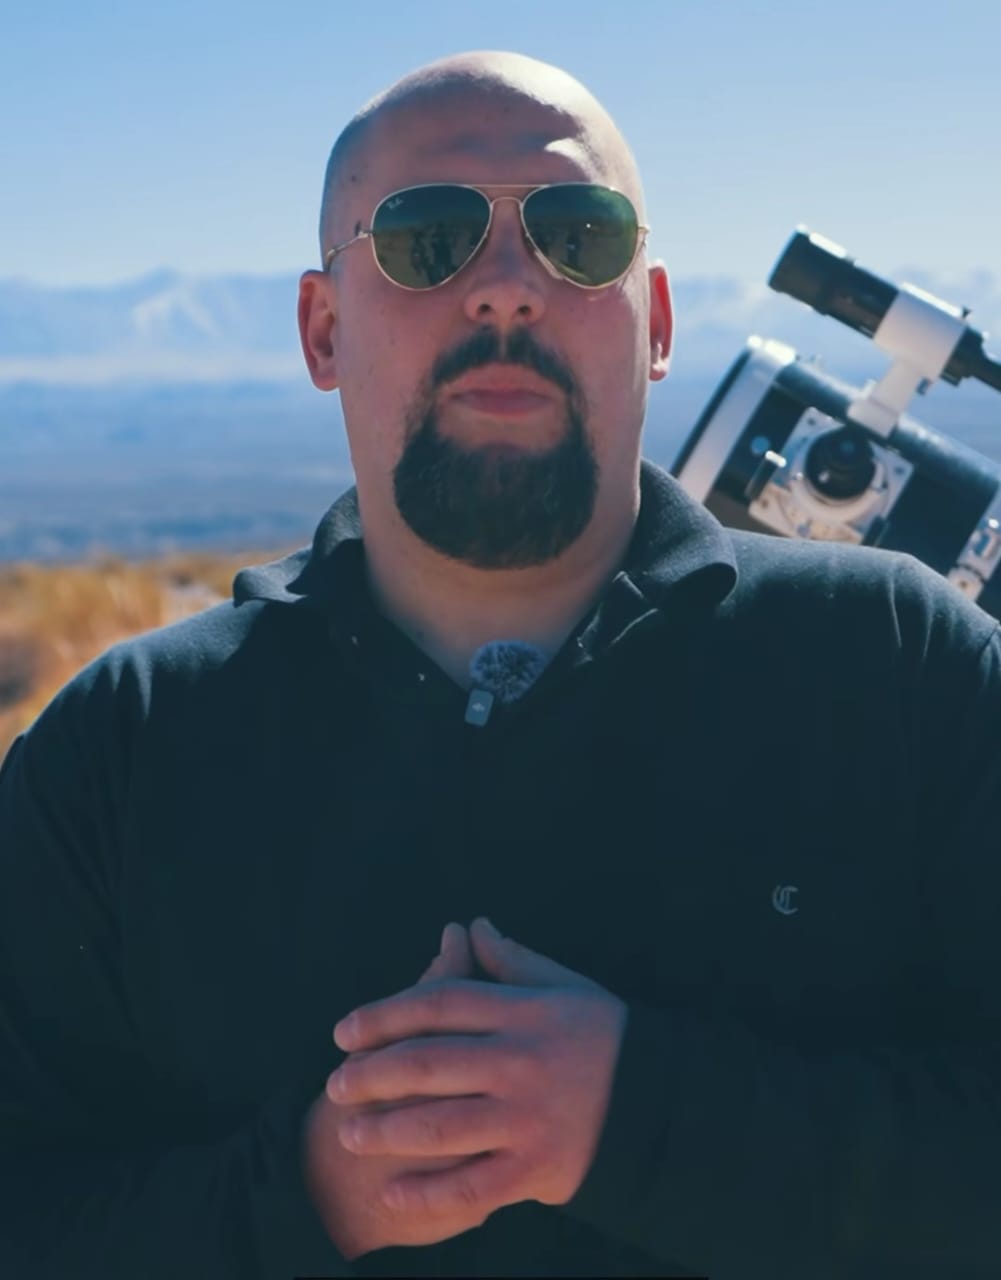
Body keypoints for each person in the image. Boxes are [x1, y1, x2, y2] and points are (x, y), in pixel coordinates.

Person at [1, 49, 999, 1280]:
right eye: (430, 239)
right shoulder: (128, 744)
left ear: (658, 325)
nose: (508, 290)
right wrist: (309, 1191)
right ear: (322, 328)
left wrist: (636, 1123)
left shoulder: (901, 669)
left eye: (579, 235)